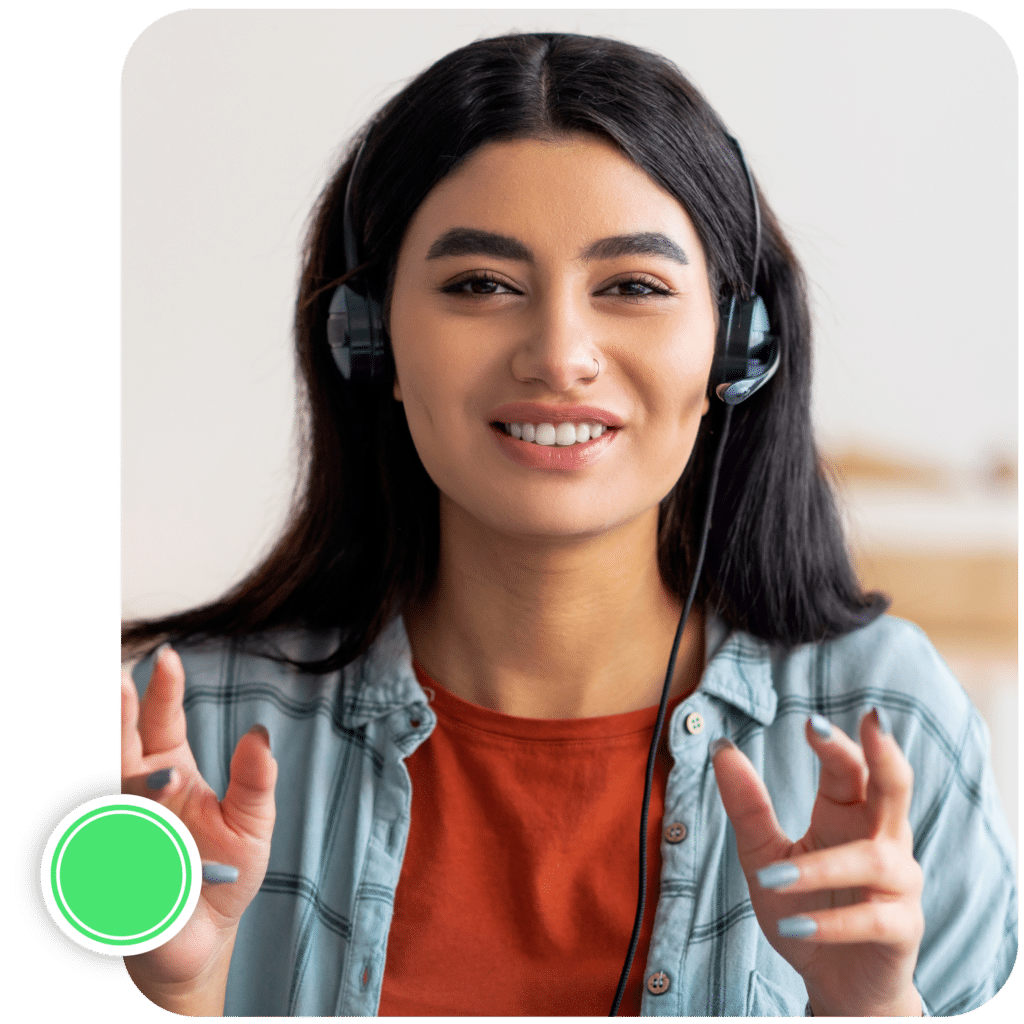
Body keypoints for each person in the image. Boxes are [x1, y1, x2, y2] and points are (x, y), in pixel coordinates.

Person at [119, 32, 1017, 1017]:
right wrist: (181, 991)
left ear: (738, 346)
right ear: (366, 340)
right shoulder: (176, 733)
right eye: (479, 286)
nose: (558, 354)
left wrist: (871, 1008)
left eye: (631, 286)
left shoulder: (886, 722)